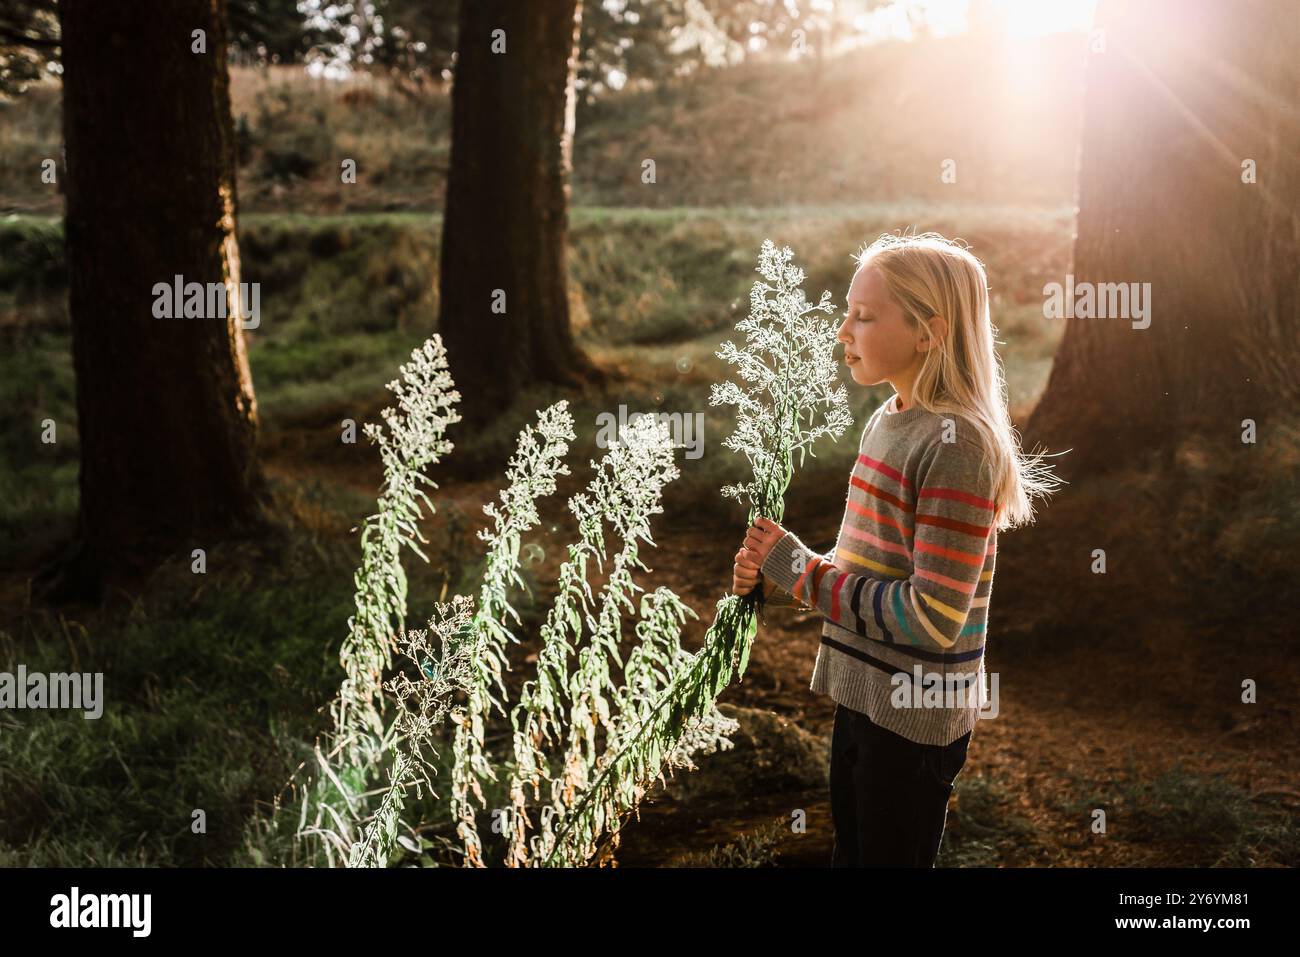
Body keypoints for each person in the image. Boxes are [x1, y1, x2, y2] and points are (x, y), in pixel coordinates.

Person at [732, 231, 1061, 867]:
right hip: (863, 696)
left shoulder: (956, 446)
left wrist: (801, 572)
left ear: (927, 333)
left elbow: (933, 618)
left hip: (912, 719)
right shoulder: (889, 419)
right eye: (846, 313)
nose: (842, 332)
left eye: (863, 316)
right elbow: (868, 568)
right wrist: (778, 574)